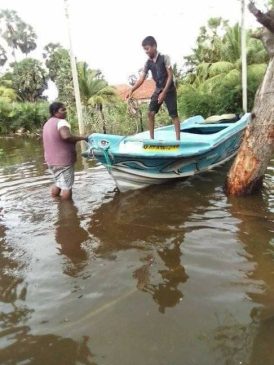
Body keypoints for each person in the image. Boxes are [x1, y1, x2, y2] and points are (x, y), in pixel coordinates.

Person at [127, 36, 180, 140]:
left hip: (169, 89)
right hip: (158, 89)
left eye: (147, 49)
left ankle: (178, 140)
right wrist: (132, 90)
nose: (146, 52)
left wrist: (164, 92)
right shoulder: (148, 63)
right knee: (150, 113)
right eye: (144, 50)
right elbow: (142, 78)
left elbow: (170, 76)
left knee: (173, 115)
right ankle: (152, 140)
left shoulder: (165, 58)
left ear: (154, 46)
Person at [43, 101, 88, 200]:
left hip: (50, 160)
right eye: (63, 110)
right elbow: (66, 136)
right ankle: (68, 210)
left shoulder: (47, 123)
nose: (65, 112)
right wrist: (83, 138)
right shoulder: (61, 122)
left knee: (59, 182)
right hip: (63, 160)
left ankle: (55, 201)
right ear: (55, 112)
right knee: (67, 186)